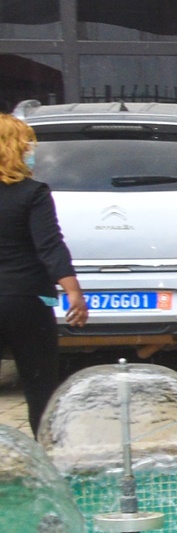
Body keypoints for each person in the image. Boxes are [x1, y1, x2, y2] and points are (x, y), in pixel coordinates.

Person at [0, 116, 83, 432]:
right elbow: (49, 245)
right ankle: (46, 450)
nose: (30, 150)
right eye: (26, 145)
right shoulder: (32, 193)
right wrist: (73, 290)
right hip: (26, 301)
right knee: (41, 388)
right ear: (15, 149)